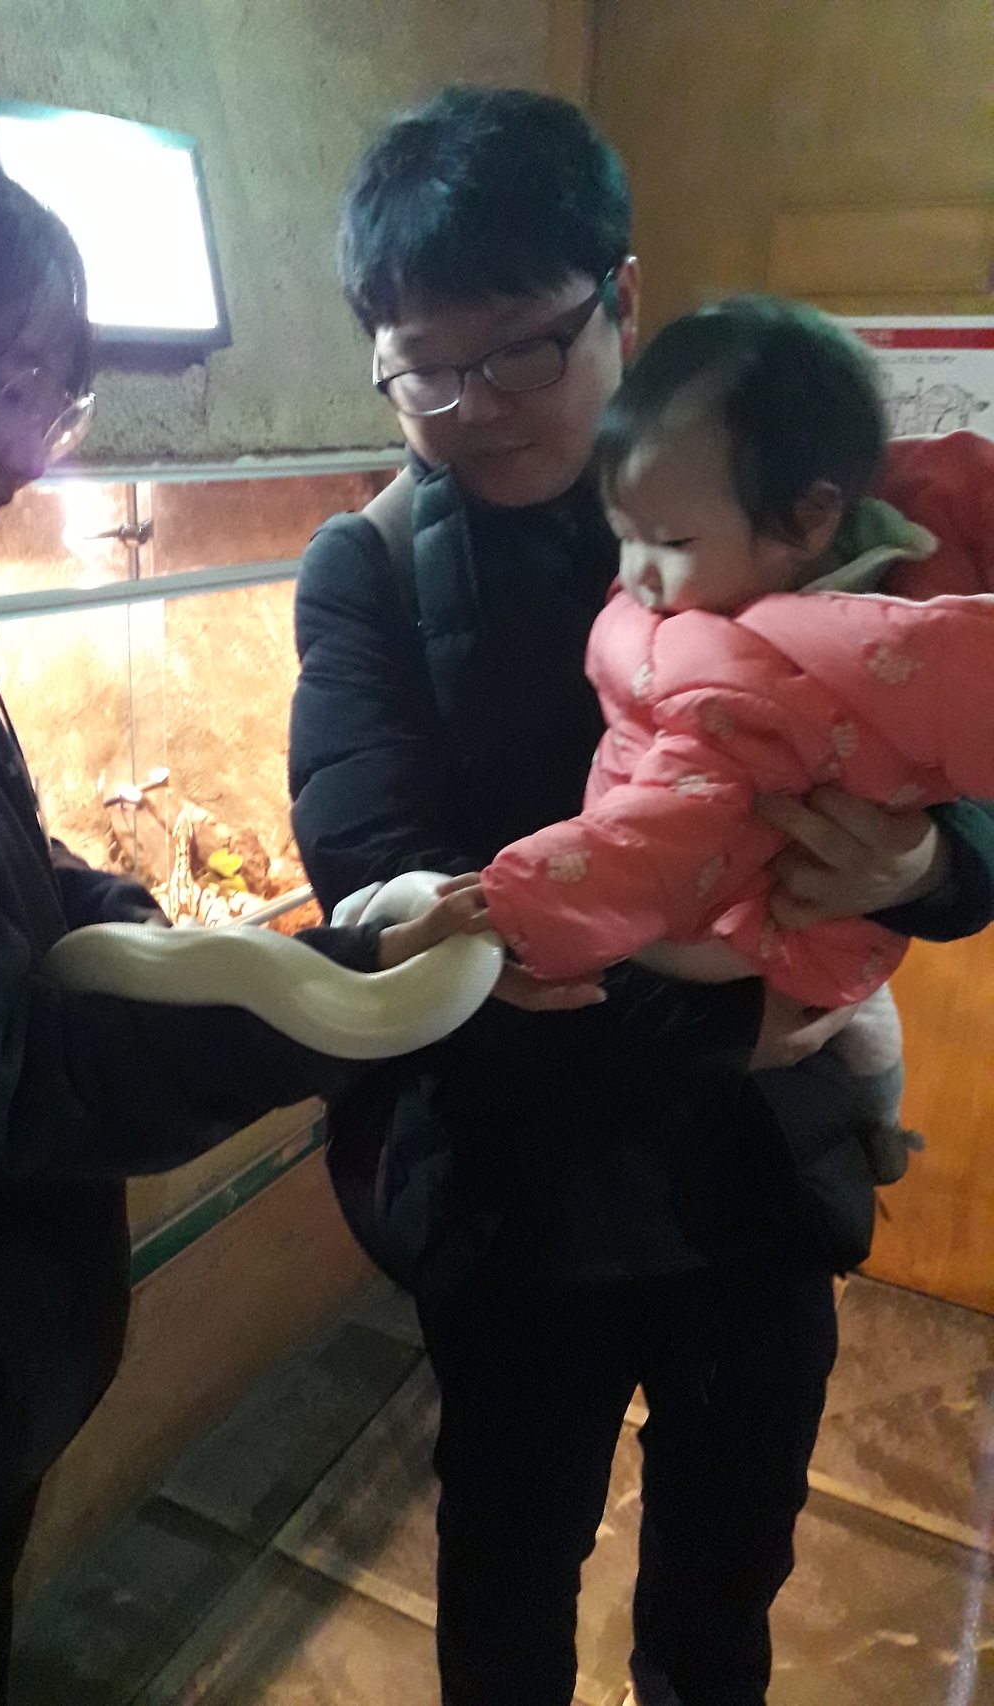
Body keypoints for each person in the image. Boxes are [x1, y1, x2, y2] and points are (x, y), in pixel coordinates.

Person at [0, 117, 467, 1706]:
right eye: (2, 385)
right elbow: (3, 1062)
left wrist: (134, 913)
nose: (33, 450)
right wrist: (327, 996)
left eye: (59, 401)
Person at [288, 87, 994, 1706]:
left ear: (619, 293)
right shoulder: (372, 569)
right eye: (424, 371)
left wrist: (927, 864)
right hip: (520, 1195)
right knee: (506, 1582)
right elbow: (378, 880)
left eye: (520, 353)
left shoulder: (802, 511)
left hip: (755, 1196)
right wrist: (732, 1024)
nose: (475, 408)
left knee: (722, 1591)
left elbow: (952, 767)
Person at [454, 296, 994, 1184]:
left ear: (810, 520)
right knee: (864, 1019)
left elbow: (662, 838)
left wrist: (517, 908)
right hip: (778, 981)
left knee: (846, 1016)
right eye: (622, 536)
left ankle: (877, 1123)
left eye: (668, 542)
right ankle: (878, 1121)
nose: (636, 575)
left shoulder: (758, 679)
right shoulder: (836, 551)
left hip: (757, 941)